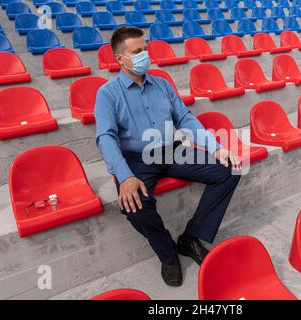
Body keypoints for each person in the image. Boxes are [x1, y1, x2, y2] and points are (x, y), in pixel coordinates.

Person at [94, 26, 242, 287]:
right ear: (120, 59)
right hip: (137, 159)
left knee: (229, 170)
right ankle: (167, 252)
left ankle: (191, 238)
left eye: (145, 49)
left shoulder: (161, 84)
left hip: (171, 150)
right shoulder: (107, 94)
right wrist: (124, 176)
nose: (144, 55)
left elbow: (184, 119)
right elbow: (105, 138)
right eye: (137, 52)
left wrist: (216, 147)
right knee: (135, 205)